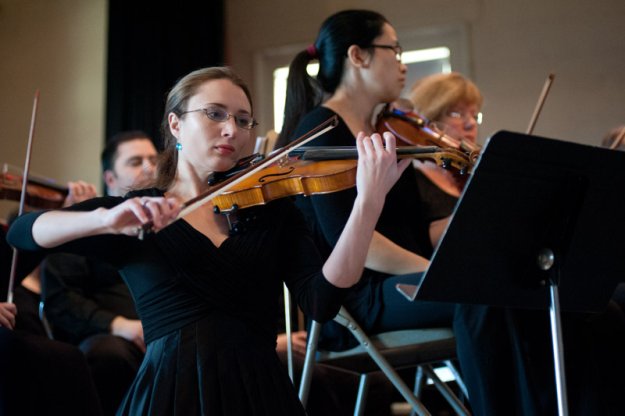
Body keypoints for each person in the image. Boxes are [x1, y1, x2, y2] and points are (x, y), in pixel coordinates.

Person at [8, 66, 407, 415]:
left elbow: (322, 300)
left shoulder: (272, 212)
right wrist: (104, 220)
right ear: (176, 124)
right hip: (170, 396)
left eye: (243, 119)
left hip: (261, 393)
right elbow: (23, 232)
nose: (232, 129)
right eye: (215, 114)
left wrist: (368, 202)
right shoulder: (135, 214)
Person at [278, 9, 455, 358]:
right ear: (357, 56)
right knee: (483, 296)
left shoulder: (384, 134)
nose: (403, 65)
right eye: (396, 51)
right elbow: (360, 243)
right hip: (357, 301)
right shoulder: (321, 132)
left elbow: (417, 232)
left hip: (397, 284)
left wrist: (472, 219)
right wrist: (437, 273)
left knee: (509, 289)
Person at [40, 130, 157, 415]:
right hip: (116, 339)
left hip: (169, 333)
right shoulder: (86, 225)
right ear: (110, 179)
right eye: (135, 161)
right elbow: (61, 298)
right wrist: (121, 325)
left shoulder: (171, 219)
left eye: (153, 159)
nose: (149, 167)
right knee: (106, 353)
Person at [409, 72, 483, 246]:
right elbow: (418, 243)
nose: (470, 123)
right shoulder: (411, 180)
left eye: (474, 115)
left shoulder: (476, 172)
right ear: (430, 120)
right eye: (457, 114)